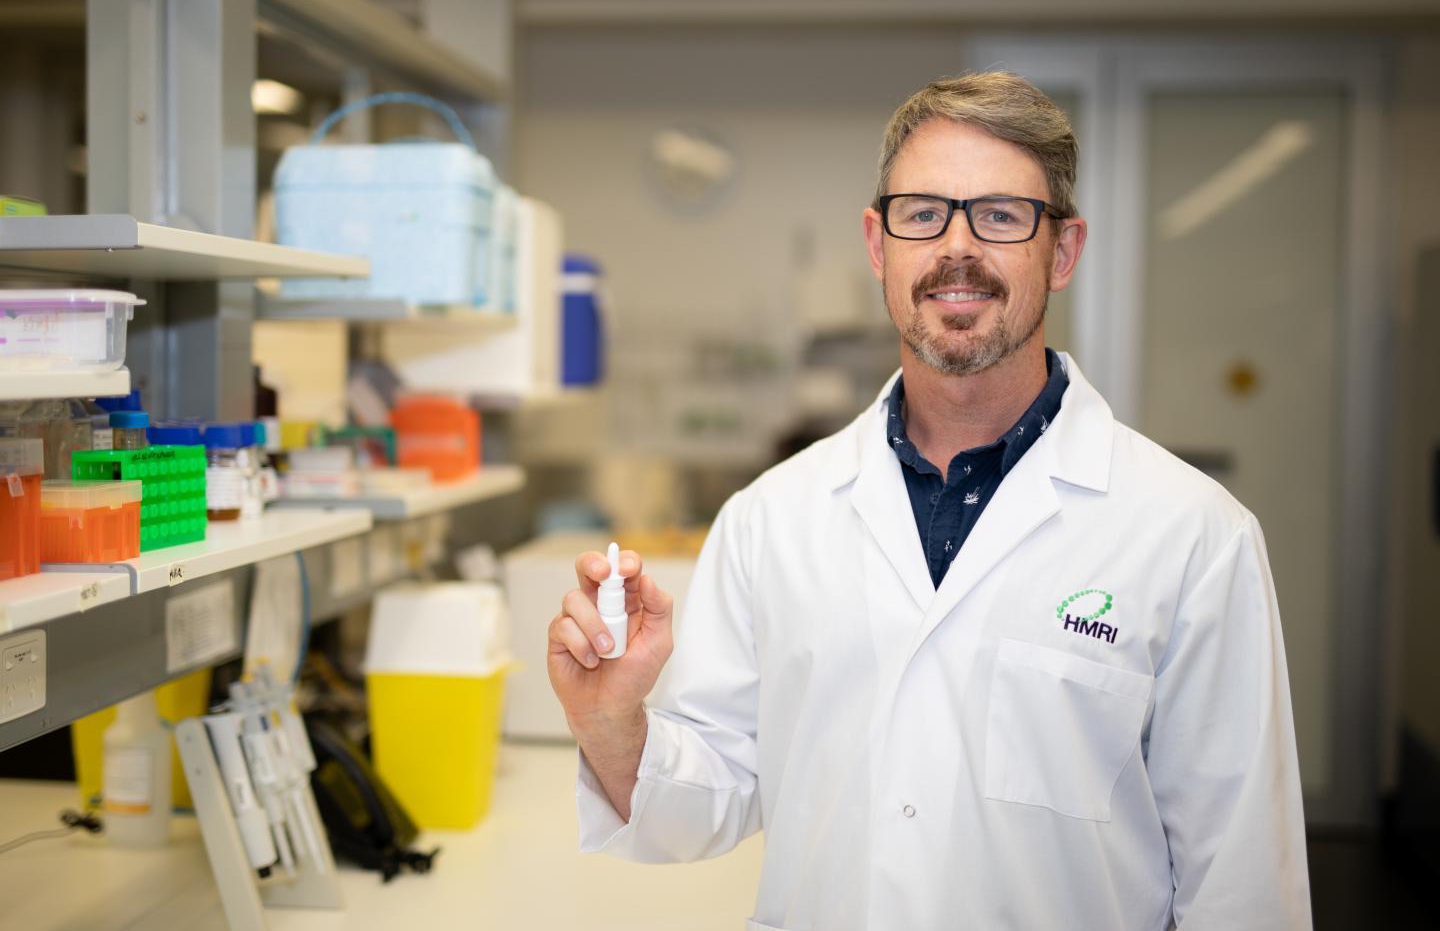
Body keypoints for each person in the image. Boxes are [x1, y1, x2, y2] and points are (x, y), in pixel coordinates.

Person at [547, 72, 1311, 930]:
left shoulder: (1194, 536)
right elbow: (708, 800)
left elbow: (1242, 883)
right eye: (923, 213)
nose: (957, 246)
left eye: (1000, 214)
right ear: (878, 244)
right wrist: (611, 721)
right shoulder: (772, 519)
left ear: (1061, 249)